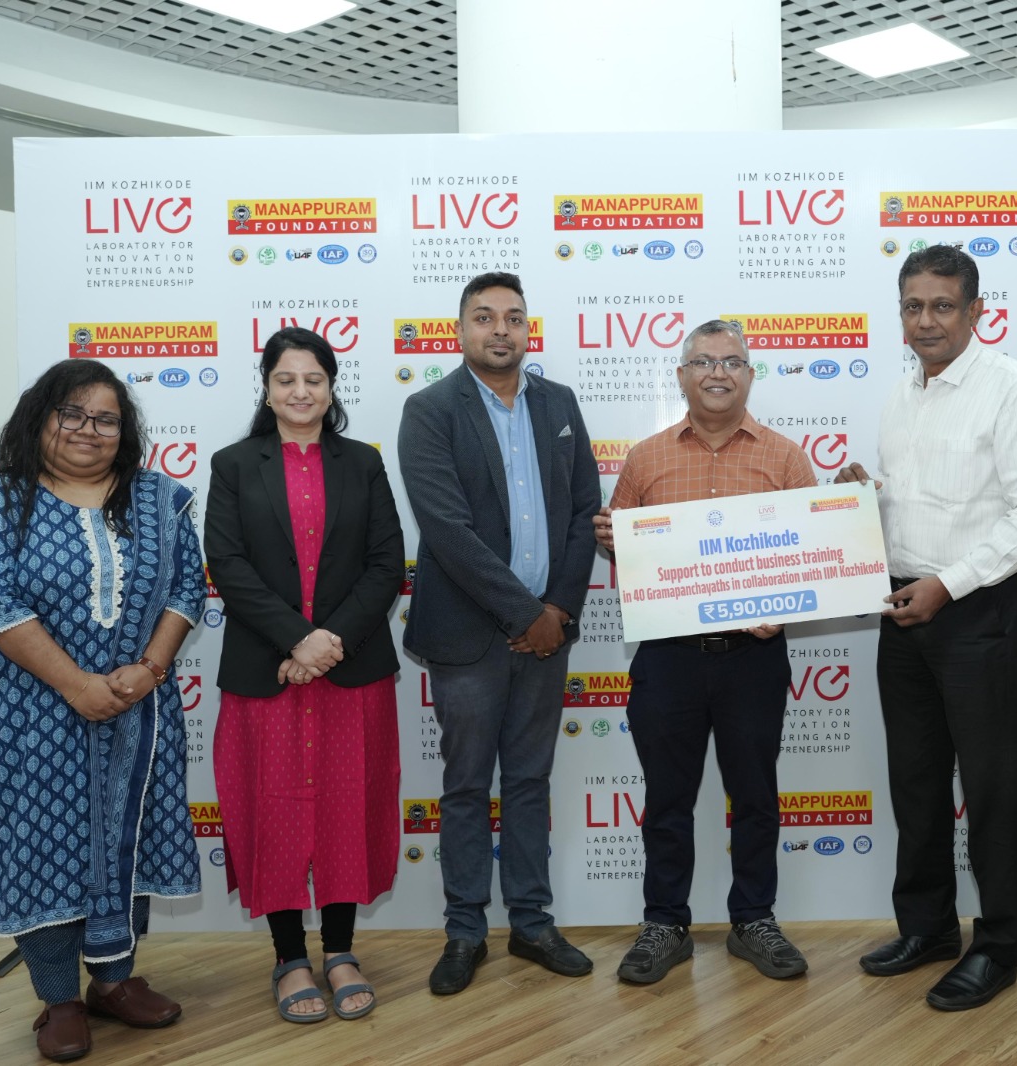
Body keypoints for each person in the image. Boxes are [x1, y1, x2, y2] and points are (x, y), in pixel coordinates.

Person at [0, 360, 204, 1062]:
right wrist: (75, 686)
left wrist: (149, 671)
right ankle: (58, 998)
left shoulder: (158, 499)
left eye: (107, 419)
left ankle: (114, 981)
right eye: (73, 413)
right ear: (40, 418)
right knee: (42, 844)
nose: (89, 429)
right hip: (30, 716)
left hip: (137, 708)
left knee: (128, 835)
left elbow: (187, 588)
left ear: (125, 430)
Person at [838, 245, 1017, 1011]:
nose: (926, 320)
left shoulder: (1012, 387)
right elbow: (924, 505)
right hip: (902, 605)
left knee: (991, 787)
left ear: (975, 311)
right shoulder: (900, 393)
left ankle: (995, 947)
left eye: (942, 305)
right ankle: (929, 928)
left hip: (977, 609)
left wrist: (949, 585)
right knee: (916, 782)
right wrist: (862, 501)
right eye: (913, 305)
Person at [593, 319, 818, 985]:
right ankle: (665, 923)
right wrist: (613, 539)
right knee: (667, 799)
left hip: (754, 657)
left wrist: (782, 609)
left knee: (756, 796)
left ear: (749, 375)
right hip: (669, 656)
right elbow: (624, 551)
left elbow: (809, 557)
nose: (718, 372)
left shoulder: (785, 458)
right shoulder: (645, 459)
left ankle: (754, 919)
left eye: (732, 362)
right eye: (703, 362)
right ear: (682, 375)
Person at [398, 271, 601, 995]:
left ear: (527, 329)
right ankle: (464, 932)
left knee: (529, 782)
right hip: (470, 636)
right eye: (484, 317)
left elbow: (584, 515)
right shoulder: (429, 410)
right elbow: (447, 530)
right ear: (461, 330)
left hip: (549, 631)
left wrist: (559, 613)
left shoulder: (559, 403)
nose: (500, 329)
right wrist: (528, 616)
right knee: (464, 787)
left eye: (513, 317)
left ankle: (532, 924)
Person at [204, 327, 405, 1023]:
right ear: (266, 388)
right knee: (274, 811)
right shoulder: (234, 464)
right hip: (268, 671)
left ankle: (341, 952)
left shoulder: (363, 463)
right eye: (285, 379)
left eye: (313, 379)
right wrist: (297, 640)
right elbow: (227, 564)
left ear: (331, 386)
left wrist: (327, 644)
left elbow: (387, 562)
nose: (300, 391)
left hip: (351, 671)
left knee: (350, 806)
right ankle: (290, 959)